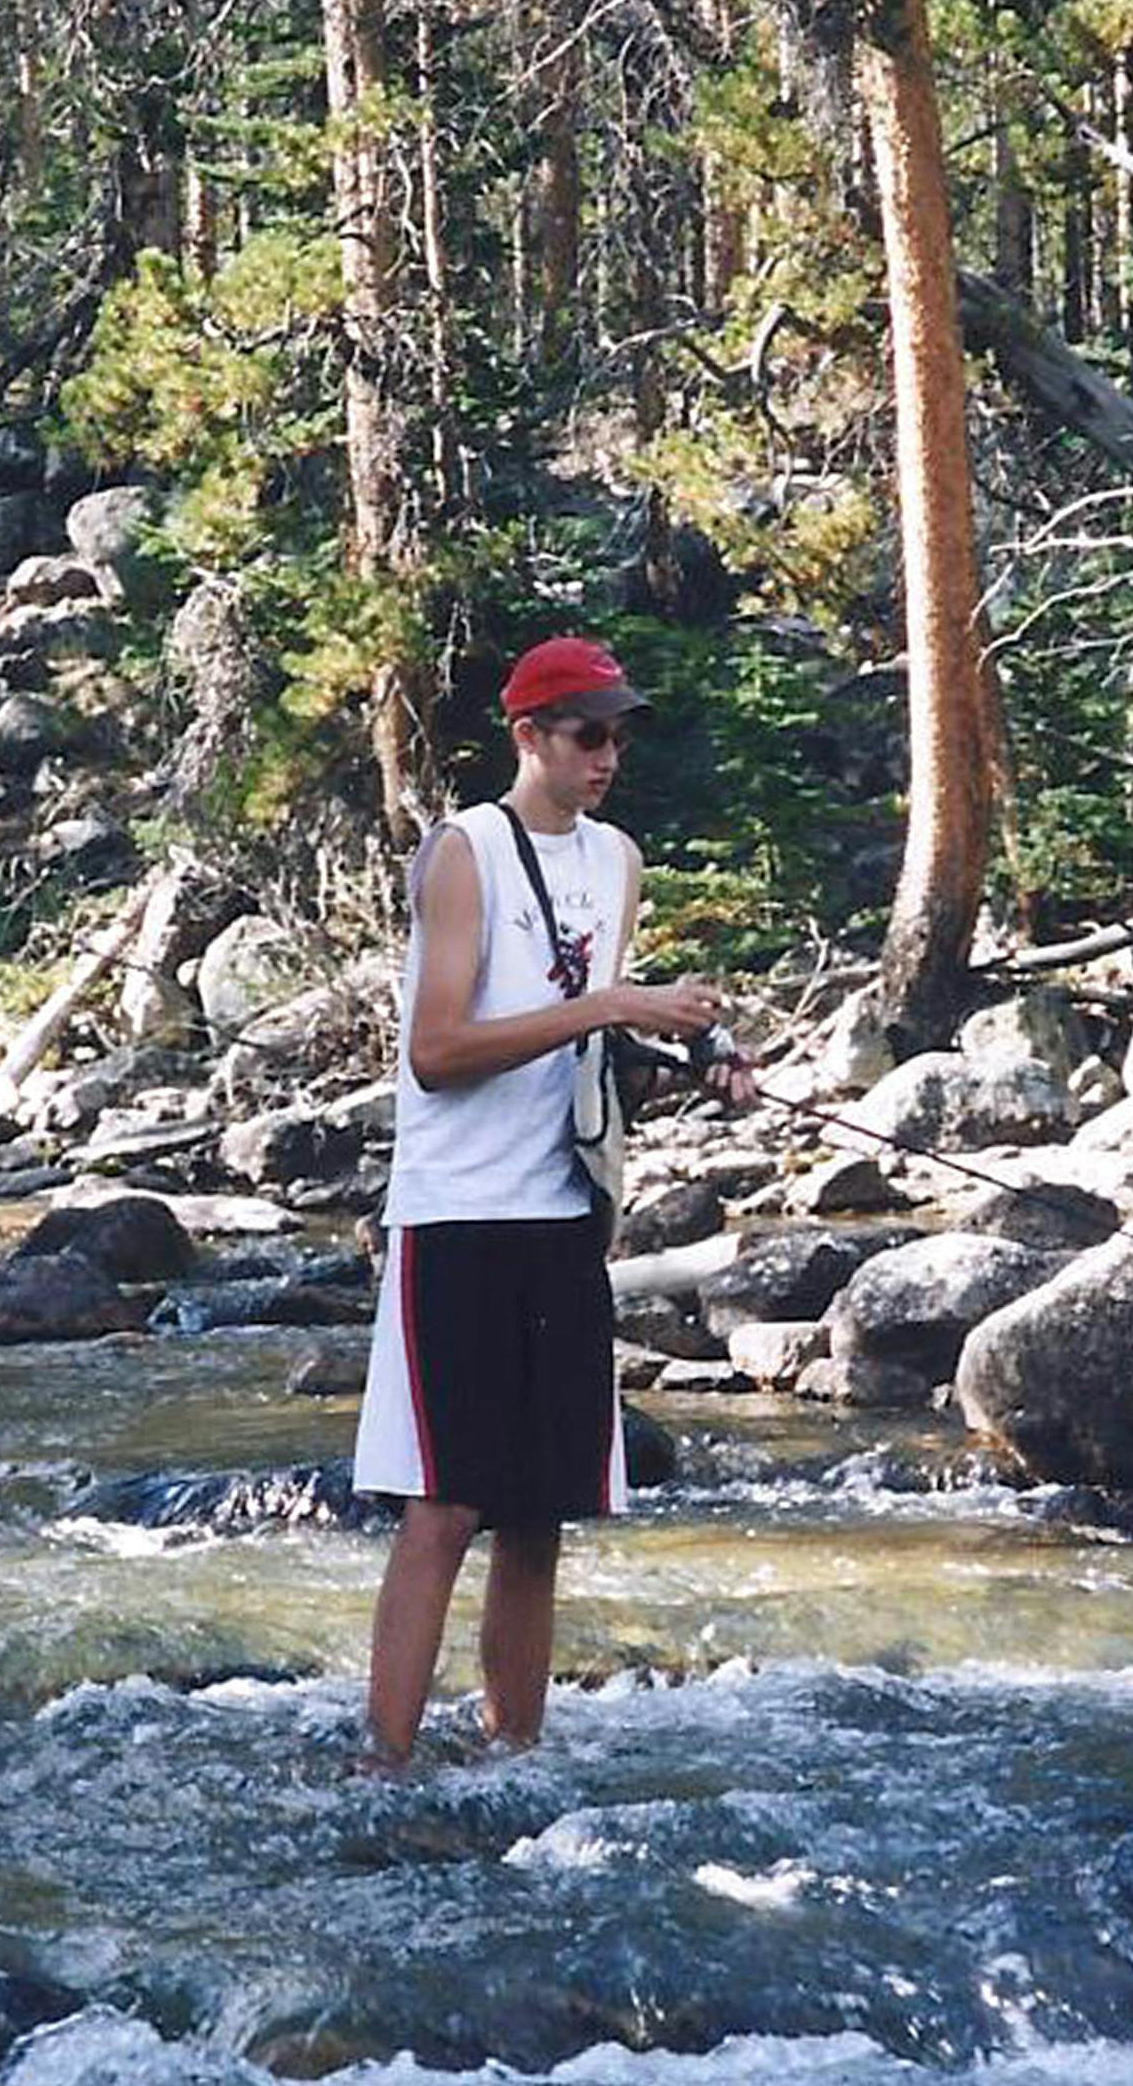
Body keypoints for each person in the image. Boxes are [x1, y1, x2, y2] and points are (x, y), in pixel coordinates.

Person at [352, 633, 752, 1766]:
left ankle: (511, 1755)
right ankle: (380, 1765)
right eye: (586, 734)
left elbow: (588, 1036)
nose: (607, 755)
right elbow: (437, 1052)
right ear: (528, 737)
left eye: (618, 734)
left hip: (567, 1215)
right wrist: (615, 1007)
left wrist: (700, 1052)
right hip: (457, 1216)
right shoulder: (463, 854)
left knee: (538, 1516)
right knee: (445, 1505)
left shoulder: (618, 861)